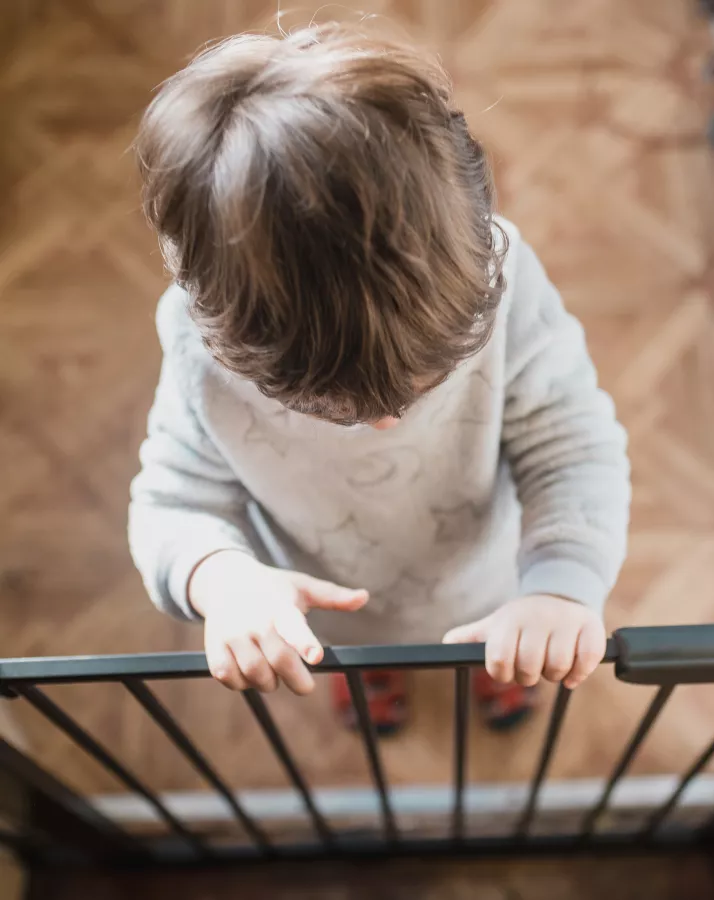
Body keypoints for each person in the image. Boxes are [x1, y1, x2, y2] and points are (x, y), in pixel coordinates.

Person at [128, 22, 631, 733]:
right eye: (331, 409)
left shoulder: (506, 274)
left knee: (512, 647)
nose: (387, 424)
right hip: (330, 605)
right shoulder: (194, 346)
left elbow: (573, 443)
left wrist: (561, 588)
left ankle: (499, 670)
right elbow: (172, 503)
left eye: (428, 381)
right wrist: (225, 581)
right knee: (357, 650)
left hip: (495, 585)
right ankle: (374, 675)